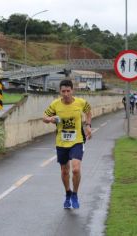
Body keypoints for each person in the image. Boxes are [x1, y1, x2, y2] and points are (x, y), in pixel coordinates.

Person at [43, 79, 92, 209]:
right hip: (61, 142)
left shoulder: (81, 103)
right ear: (60, 91)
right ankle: (67, 193)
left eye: (68, 91)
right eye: (63, 91)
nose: (65, 94)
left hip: (77, 140)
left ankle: (75, 194)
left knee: (75, 169)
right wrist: (50, 119)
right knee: (65, 171)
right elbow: (44, 117)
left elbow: (88, 111)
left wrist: (88, 126)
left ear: (72, 91)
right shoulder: (55, 104)